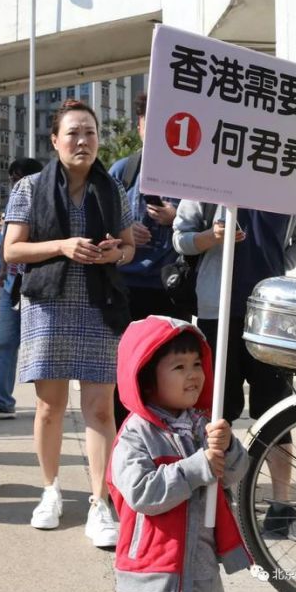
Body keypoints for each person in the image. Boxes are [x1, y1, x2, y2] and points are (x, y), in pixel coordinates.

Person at [4, 99, 135, 547]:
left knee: (101, 408)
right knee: (50, 407)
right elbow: (12, 251)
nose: (82, 141)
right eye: (74, 133)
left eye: (90, 133)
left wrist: (114, 252)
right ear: (55, 140)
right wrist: (62, 246)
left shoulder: (114, 191)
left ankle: (100, 503)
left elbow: (130, 248)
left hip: (100, 304)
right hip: (49, 304)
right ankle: (51, 490)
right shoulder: (29, 188)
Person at [173, 203, 296, 543]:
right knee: (215, 411)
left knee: (277, 409)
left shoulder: (284, 184)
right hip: (216, 309)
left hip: (271, 311)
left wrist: (279, 265)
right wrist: (212, 237)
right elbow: (180, 239)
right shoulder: (211, 181)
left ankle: (281, 508)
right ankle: (214, 498)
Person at [108, 315, 251, 592]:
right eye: (179, 367)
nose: (193, 374)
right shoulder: (135, 434)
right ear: (146, 378)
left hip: (202, 565)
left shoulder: (203, 423)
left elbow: (233, 475)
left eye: (197, 364)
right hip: (154, 570)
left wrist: (228, 447)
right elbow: (143, 493)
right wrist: (198, 467)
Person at [109, 93, 185, 428]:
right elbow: (98, 224)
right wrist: (123, 231)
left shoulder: (187, 173)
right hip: (126, 289)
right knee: (126, 372)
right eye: (148, 123)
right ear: (139, 126)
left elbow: (207, 225)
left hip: (171, 289)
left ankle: (166, 441)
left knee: (169, 373)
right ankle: (125, 446)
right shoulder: (124, 171)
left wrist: (176, 216)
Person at [0, 157, 43, 419]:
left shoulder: (47, 205)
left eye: (17, 177)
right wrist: (1, 273)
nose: (14, 183)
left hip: (40, 286)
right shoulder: (12, 207)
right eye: (12, 178)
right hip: (11, 287)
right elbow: (5, 247)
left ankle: (50, 401)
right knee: (4, 342)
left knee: (44, 347)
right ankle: (1, 400)